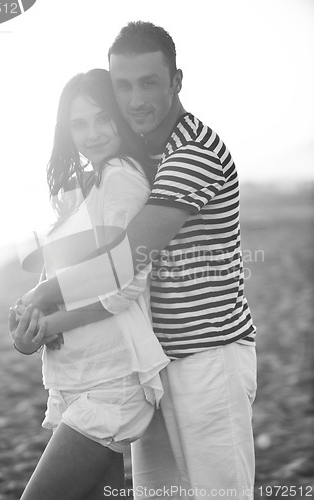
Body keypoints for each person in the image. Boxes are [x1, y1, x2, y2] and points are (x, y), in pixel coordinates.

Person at [20, 22, 257, 500]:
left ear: (177, 81)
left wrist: (43, 298)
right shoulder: (145, 156)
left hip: (207, 357)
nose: (135, 100)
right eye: (123, 86)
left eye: (149, 82)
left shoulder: (193, 153)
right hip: (156, 362)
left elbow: (128, 261)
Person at [8, 68, 169, 500]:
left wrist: (55, 320)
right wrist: (32, 328)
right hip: (81, 374)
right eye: (80, 123)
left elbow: (123, 286)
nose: (92, 133)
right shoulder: (85, 185)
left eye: (102, 118)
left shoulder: (120, 177)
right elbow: (60, 280)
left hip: (110, 379)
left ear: (119, 115)